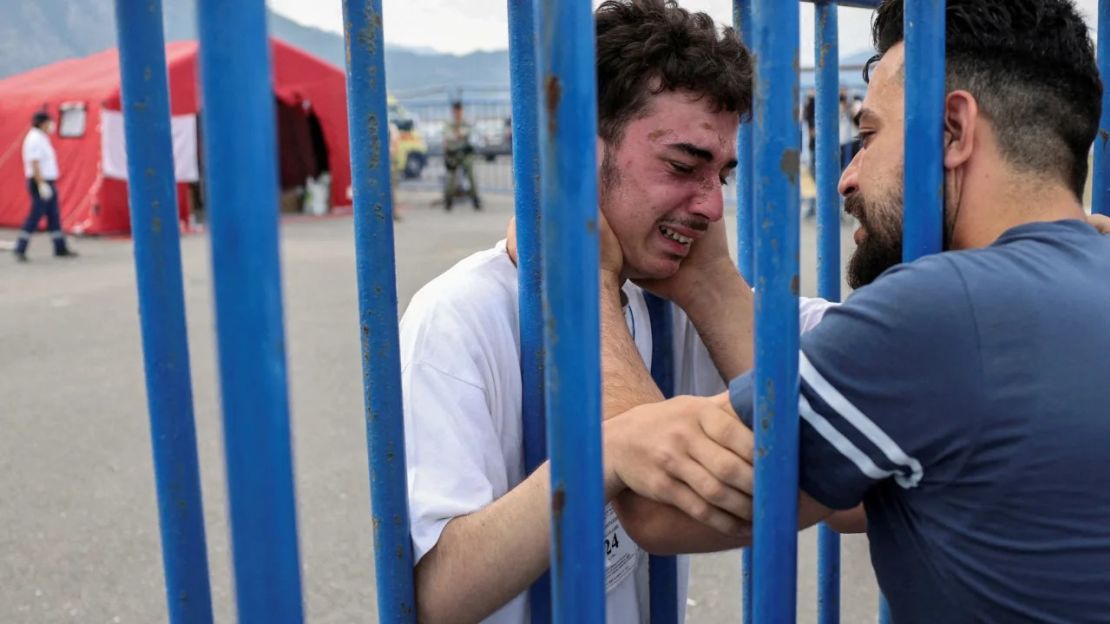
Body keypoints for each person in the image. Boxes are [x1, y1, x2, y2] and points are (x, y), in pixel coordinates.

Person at [613, 1, 1110, 621]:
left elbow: (659, 505)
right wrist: (711, 284)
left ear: (952, 130)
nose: (847, 177)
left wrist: (582, 280)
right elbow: (852, 494)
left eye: (869, 135)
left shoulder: (945, 309)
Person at [398, 1, 828, 621]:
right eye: (682, 166)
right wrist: (600, 458)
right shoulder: (462, 314)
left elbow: (838, 423)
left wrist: (711, 284)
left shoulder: (670, 300)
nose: (711, 208)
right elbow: (435, 595)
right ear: (575, 152)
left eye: (723, 178)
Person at [14, 111, 76, 262]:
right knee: (36, 214)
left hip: (48, 182)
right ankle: (20, 247)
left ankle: (60, 247)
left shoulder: (42, 138)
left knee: (53, 215)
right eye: (49, 122)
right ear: (42, 123)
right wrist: (41, 184)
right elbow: (34, 163)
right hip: (39, 182)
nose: (52, 126)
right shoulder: (34, 139)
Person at [443, 100, 481, 211]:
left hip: (465, 154)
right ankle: (448, 200)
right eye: (456, 111)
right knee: (451, 179)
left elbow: (471, 132)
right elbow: (448, 136)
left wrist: (460, 133)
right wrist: (458, 135)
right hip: (453, 154)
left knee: (471, 177)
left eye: (459, 111)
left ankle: (475, 200)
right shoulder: (449, 123)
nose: (457, 113)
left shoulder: (466, 121)